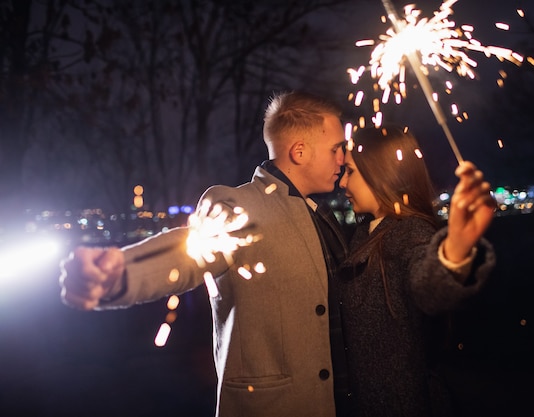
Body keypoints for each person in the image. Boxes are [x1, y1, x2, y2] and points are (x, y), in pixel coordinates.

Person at [59, 90, 355, 417]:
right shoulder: (240, 207)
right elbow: (188, 252)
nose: (343, 158)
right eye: (337, 149)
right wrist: (119, 273)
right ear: (299, 152)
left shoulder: (318, 214)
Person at [336, 125, 496, 417]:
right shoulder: (365, 233)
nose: (342, 183)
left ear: (379, 171)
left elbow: (430, 292)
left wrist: (455, 251)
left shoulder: (408, 233)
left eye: (350, 171)